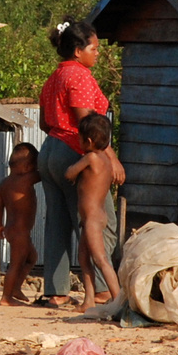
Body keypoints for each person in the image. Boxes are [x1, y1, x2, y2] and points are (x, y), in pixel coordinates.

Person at [38, 16, 125, 308]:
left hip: (49, 149)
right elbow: (86, 121)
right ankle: (103, 289)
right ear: (78, 51)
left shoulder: (54, 77)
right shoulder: (79, 76)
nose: (98, 53)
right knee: (101, 220)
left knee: (57, 223)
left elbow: (42, 122)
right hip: (75, 150)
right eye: (94, 48)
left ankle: (56, 291)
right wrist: (110, 158)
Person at [65, 113, 120, 312]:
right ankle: (88, 300)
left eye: (79, 138)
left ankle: (118, 301)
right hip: (94, 217)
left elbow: (69, 173)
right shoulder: (106, 158)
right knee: (83, 258)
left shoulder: (90, 158)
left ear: (88, 141)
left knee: (100, 259)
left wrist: (73, 170)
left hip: (92, 220)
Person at [0, 142, 40, 306]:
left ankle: (15, 289)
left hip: (12, 229)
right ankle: (6, 297)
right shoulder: (27, 179)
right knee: (15, 264)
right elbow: (44, 173)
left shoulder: (4, 184)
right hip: (21, 232)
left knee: (31, 257)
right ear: (28, 167)